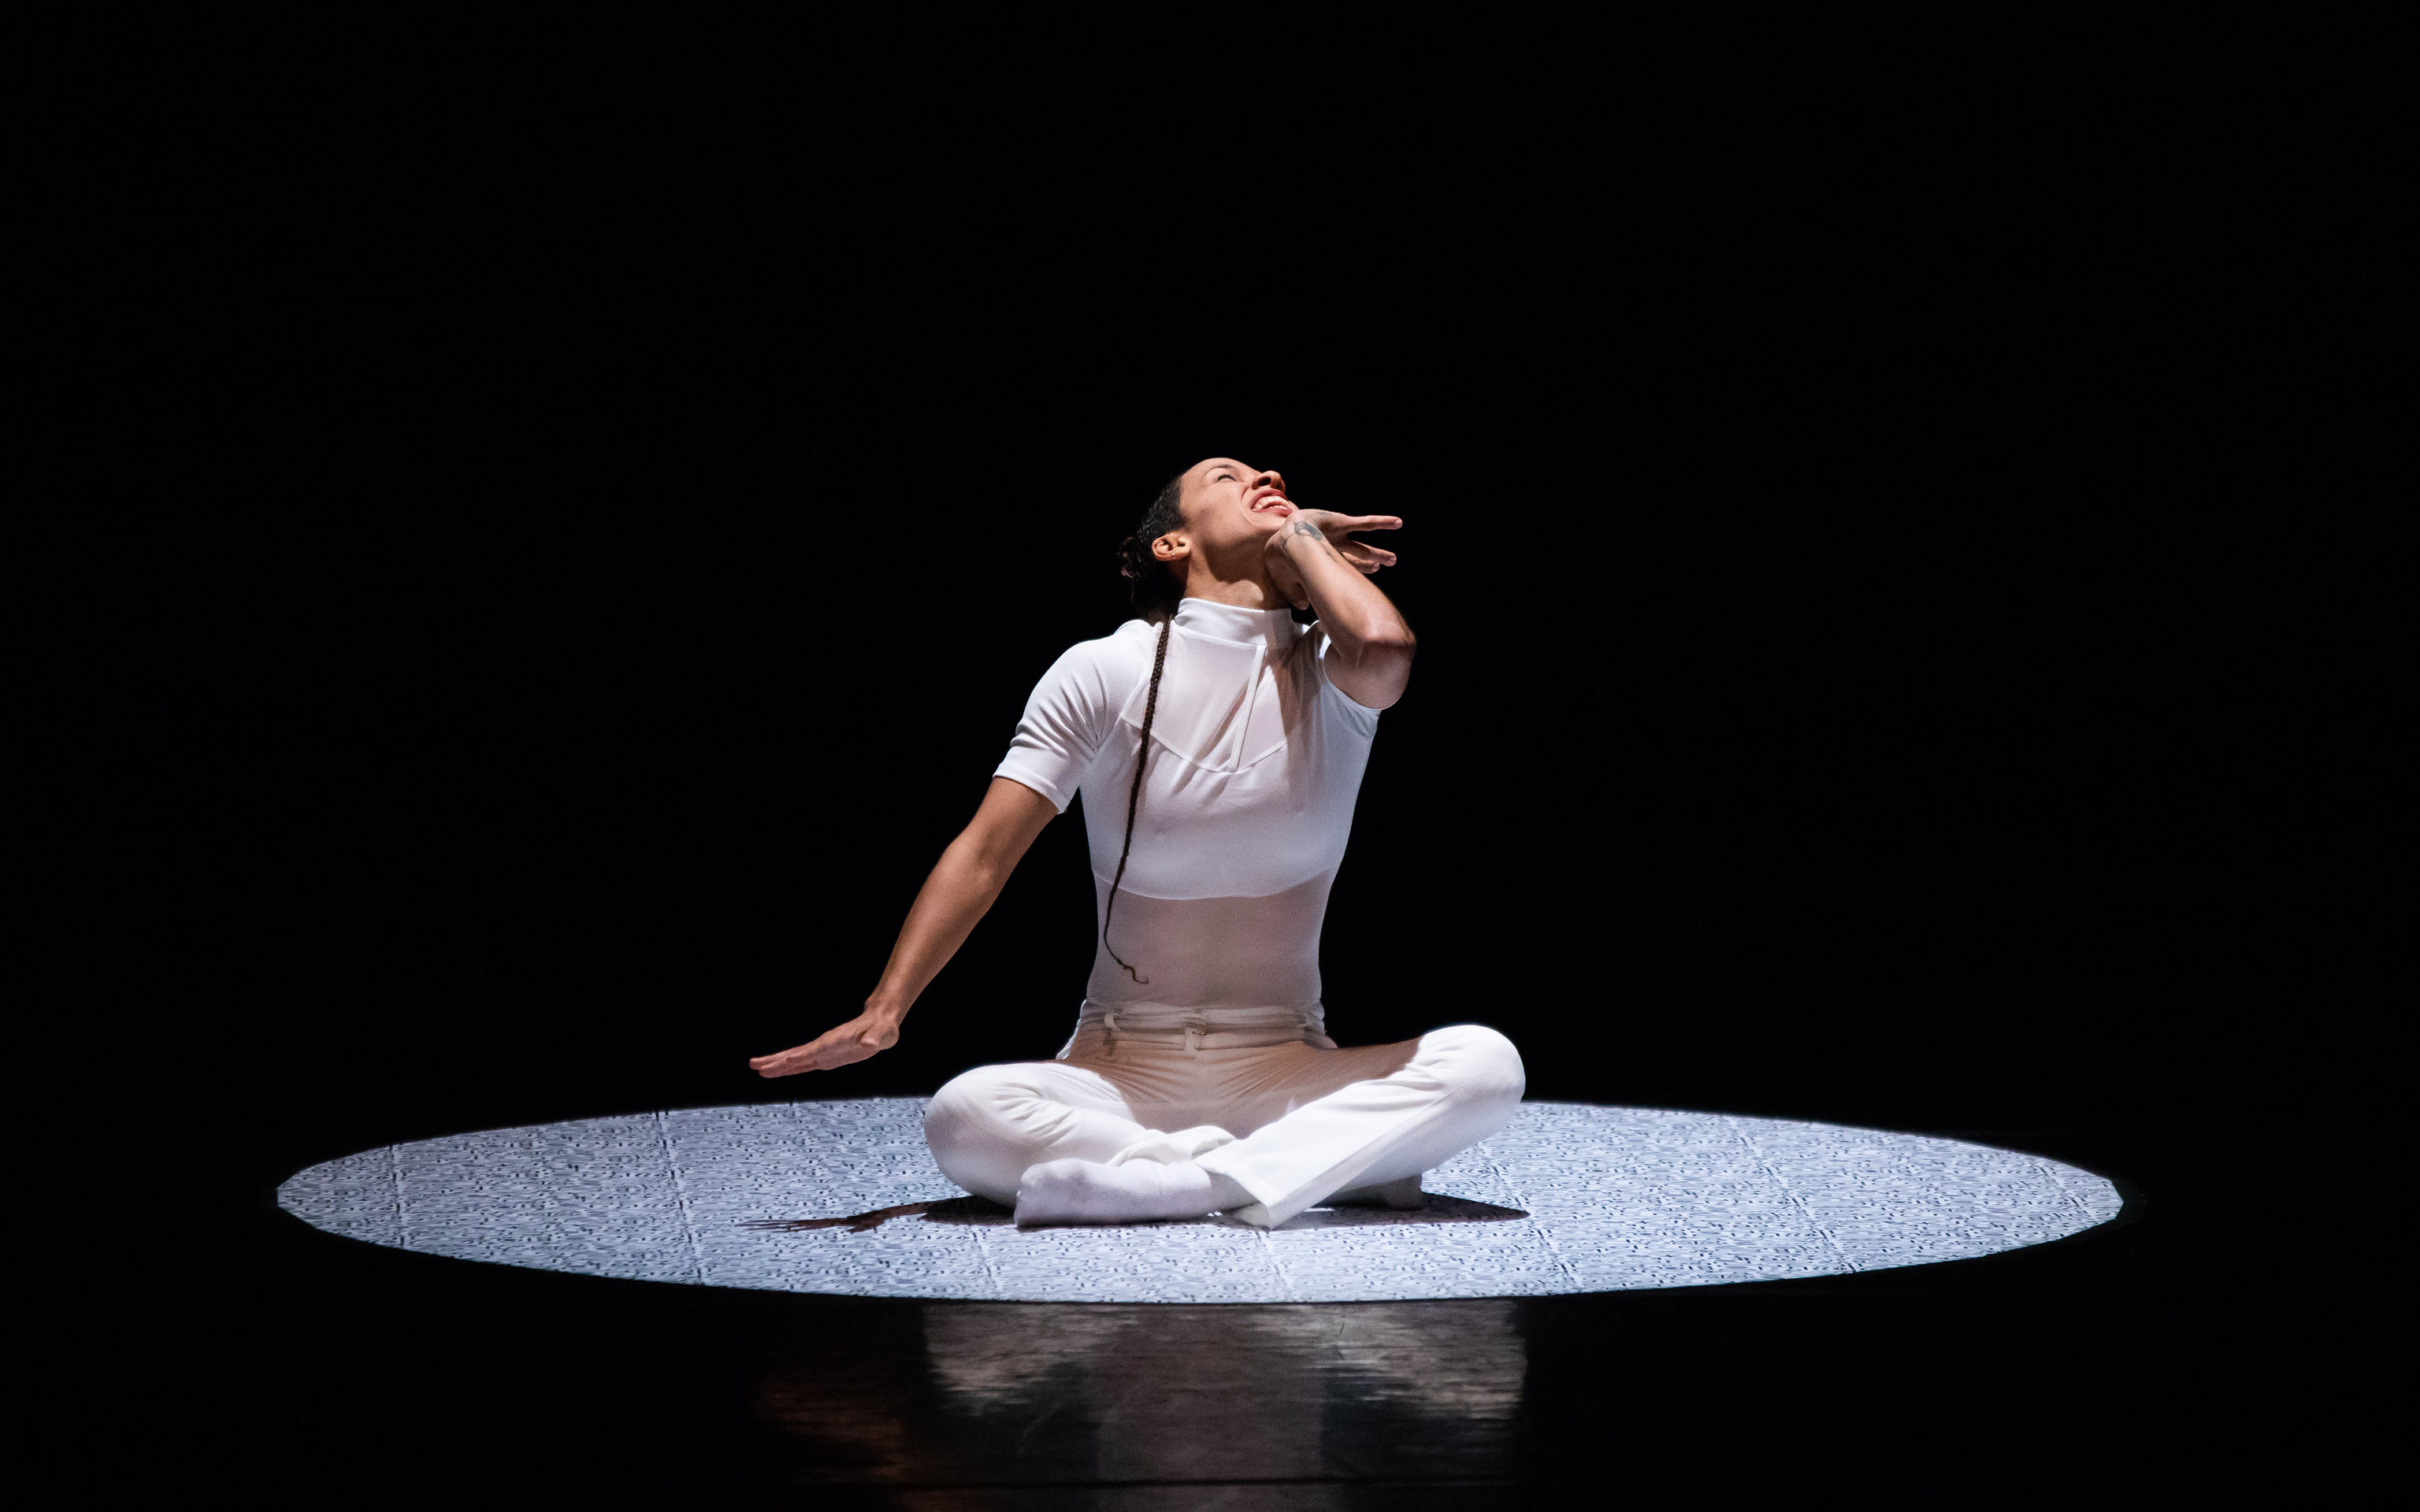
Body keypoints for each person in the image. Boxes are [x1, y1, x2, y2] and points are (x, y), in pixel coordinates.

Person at [748, 459, 1524, 1228]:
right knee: (964, 1115)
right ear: (1172, 544)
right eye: (1227, 477)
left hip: (1287, 1066)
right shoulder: (1104, 670)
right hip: (1120, 1076)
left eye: (1277, 485)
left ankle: (1176, 1184)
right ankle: (1311, 1169)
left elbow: (1387, 647)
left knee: (1487, 1067)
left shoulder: (1334, 677)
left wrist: (1299, 536)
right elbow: (986, 851)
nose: (1270, 477)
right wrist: (887, 1009)